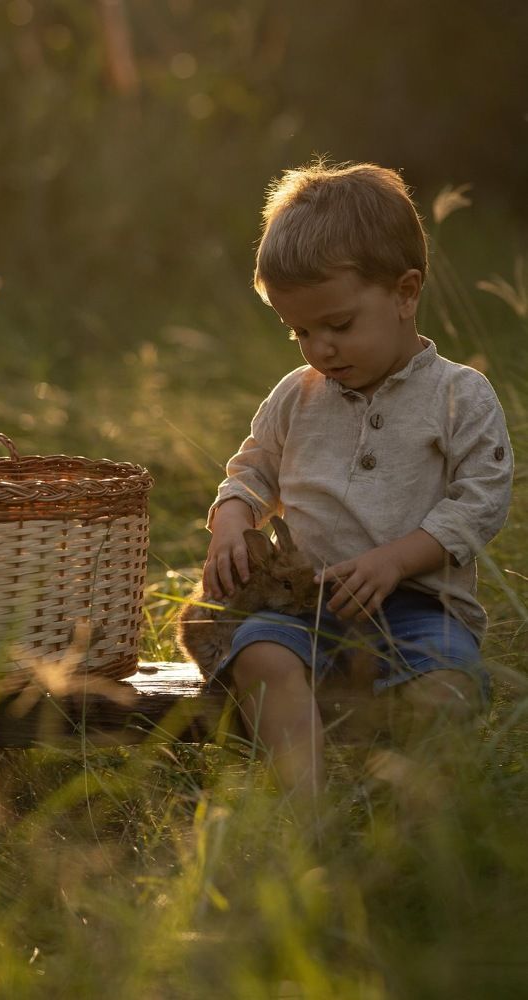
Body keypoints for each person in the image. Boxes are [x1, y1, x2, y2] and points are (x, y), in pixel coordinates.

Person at [202, 159, 513, 802]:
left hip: (421, 608)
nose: (320, 349)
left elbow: (481, 499)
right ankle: (308, 814)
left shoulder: (458, 394)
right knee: (260, 656)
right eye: (300, 332)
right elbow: (253, 467)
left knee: (447, 685)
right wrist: (232, 518)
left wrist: (397, 562)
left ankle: (413, 814)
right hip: (304, 604)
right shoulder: (298, 396)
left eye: (338, 325)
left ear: (405, 293)